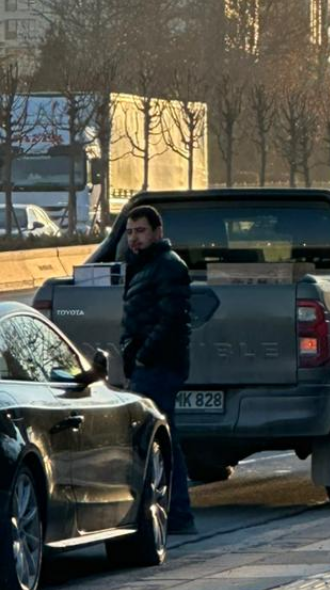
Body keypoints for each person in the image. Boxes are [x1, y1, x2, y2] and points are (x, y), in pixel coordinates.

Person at [121, 205, 196, 534]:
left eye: (140, 231)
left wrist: (143, 355)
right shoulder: (145, 266)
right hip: (151, 366)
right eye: (130, 232)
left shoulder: (167, 266)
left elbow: (172, 320)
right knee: (164, 441)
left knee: (161, 443)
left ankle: (178, 514)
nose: (134, 238)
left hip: (159, 367)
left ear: (157, 232)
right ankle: (175, 514)